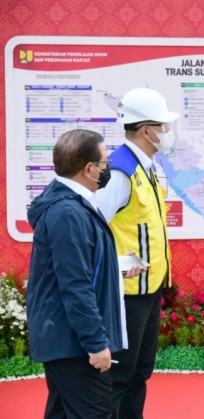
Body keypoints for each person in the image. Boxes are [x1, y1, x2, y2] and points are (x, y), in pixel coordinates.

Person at [26, 129, 122, 418]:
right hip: (73, 344)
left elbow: (79, 265)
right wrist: (96, 343)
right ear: (89, 169)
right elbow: (75, 285)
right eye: (104, 163)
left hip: (66, 340)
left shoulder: (70, 203)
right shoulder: (67, 212)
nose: (107, 169)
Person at [96, 87, 178, 418]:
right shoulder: (119, 171)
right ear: (146, 130)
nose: (167, 134)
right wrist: (116, 266)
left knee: (139, 372)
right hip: (126, 295)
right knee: (119, 377)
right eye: (164, 127)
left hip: (148, 291)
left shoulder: (146, 166)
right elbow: (92, 228)